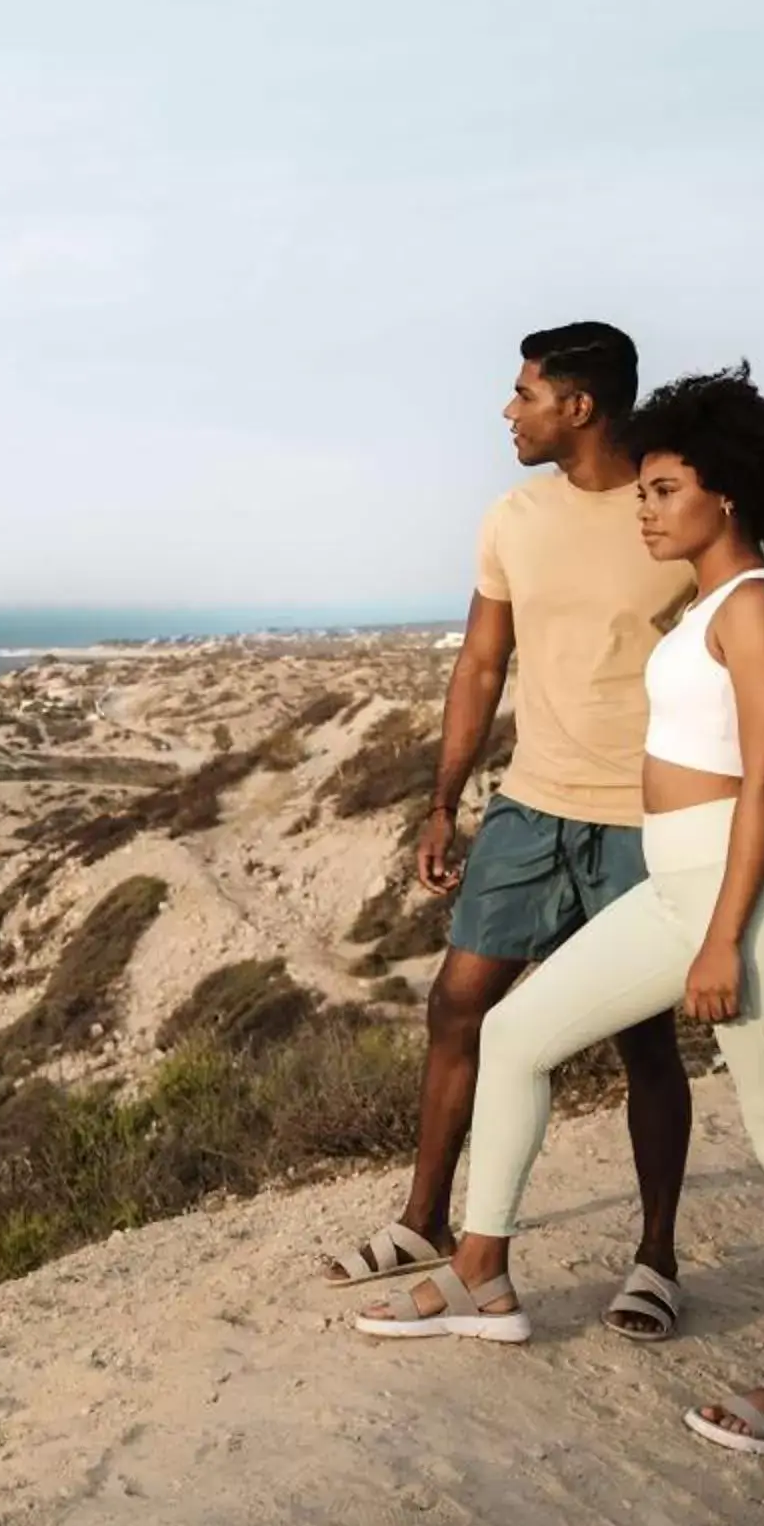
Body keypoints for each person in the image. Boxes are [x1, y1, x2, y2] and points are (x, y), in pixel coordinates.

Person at [355, 365, 764, 1458]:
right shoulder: (724, 595)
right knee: (513, 1033)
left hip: (756, 897)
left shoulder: (760, 603)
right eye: (646, 486)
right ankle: (482, 1272)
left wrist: (723, 935)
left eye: (666, 488)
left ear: (724, 495)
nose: (645, 504)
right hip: (681, 887)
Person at [319, 323, 698, 1345]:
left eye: (524, 391)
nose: (507, 408)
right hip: (532, 804)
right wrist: (445, 801)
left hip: (645, 816)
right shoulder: (513, 515)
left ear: (580, 406)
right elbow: (481, 663)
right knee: (459, 1003)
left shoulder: (673, 511)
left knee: (643, 1036)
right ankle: (425, 1220)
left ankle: (657, 1255)